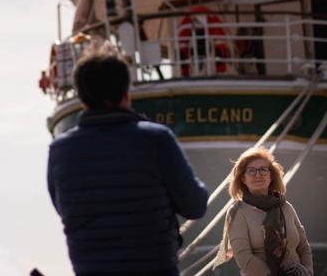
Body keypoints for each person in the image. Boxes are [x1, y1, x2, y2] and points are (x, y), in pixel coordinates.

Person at [47, 43, 208, 275]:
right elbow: (195, 205)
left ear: (82, 98)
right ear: (126, 93)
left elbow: (63, 209)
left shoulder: (59, 151)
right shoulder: (156, 139)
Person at [213, 147, 313, 276]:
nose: (258, 175)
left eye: (263, 170)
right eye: (251, 171)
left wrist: (308, 270)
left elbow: (303, 246)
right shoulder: (238, 212)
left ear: (271, 176)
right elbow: (244, 257)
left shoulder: (286, 207)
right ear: (243, 179)